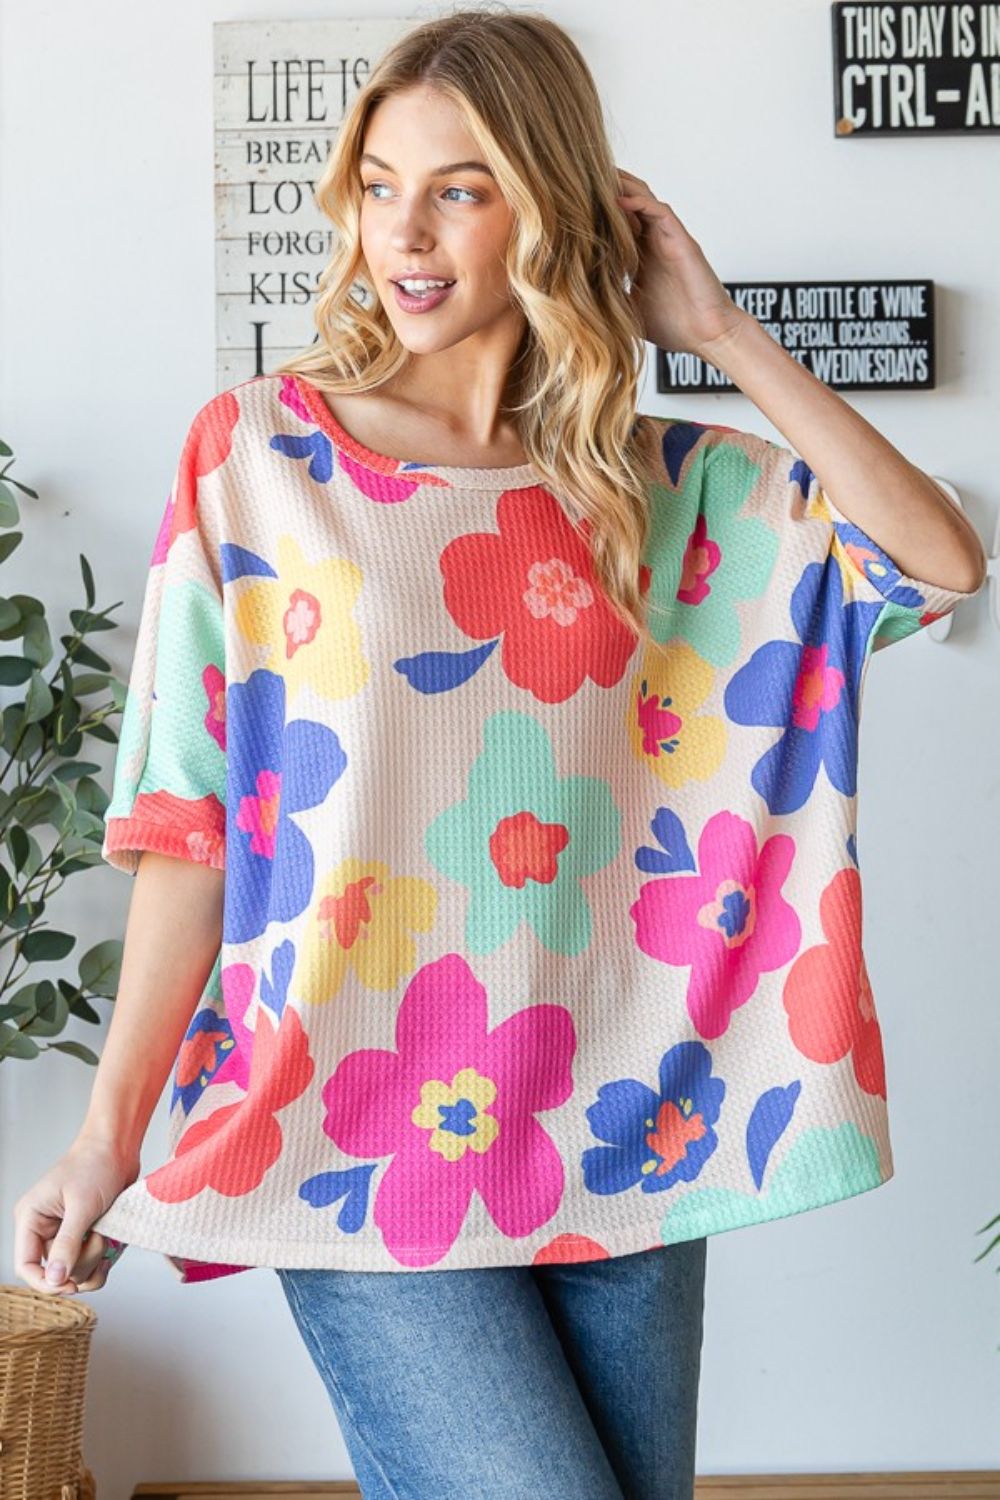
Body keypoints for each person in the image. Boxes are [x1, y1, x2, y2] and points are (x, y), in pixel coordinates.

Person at [12, 7, 987, 1498]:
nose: (404, 233)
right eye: (379, 186)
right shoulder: (260, 455)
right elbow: (191, 820)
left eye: (459, 189)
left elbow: (937, 562)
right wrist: (105, 1137)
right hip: (353, 1117)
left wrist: (721, 337)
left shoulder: (663, 485)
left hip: (626, 1107)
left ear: (548, 208)